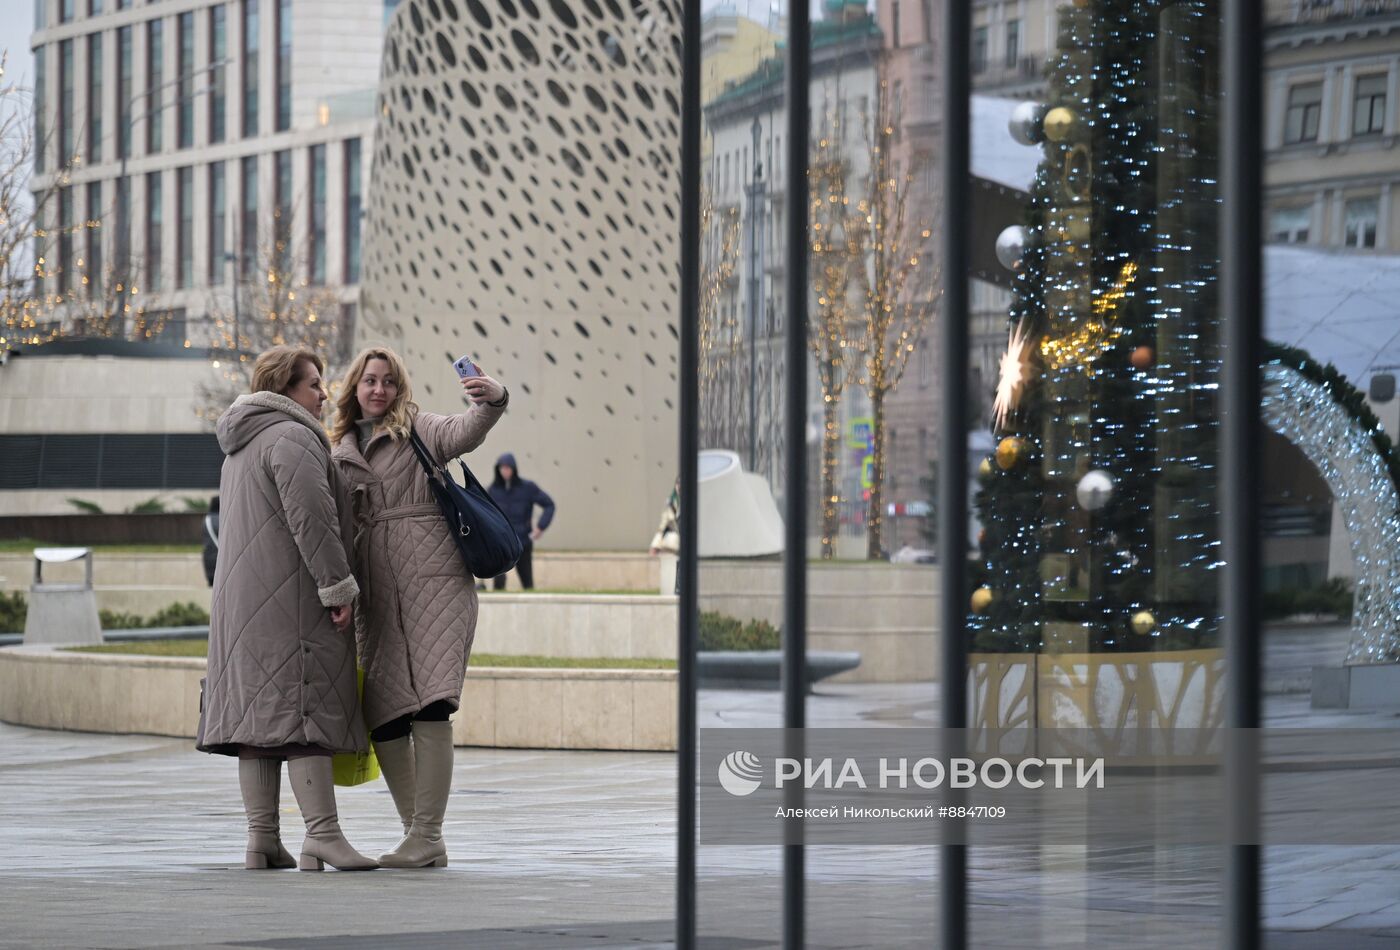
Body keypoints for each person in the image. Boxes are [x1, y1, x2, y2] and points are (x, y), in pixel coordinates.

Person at [196, 345, 376, 872]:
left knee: (258, 724)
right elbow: (312, 522)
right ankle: (323, 835)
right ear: (284, 387)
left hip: (242, 606)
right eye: (314, 384)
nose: (324, 394)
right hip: (291, 601)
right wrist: (338, 589)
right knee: (304, 711)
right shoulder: (294, 437)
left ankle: (262, 840)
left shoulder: (240, 444)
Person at [330, 345, 509, 869]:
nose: (379, 389)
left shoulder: (420, 429)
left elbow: (469, 429)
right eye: (370, 380)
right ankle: (420, 835)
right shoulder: (336, 447)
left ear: (400, 387)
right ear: (355, 388)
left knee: (433, 703)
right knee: (383, 716)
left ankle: (427, 833)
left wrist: (493, 399)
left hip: (436, 582)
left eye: (388, 380)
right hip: (376, 593)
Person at [487, 453, 555, 590]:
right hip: (502, 544)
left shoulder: (528, 487)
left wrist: (541, 527)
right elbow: (486, 514)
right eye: (502, 467)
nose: (504, 471)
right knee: (499, 582)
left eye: (507, 467)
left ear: (513, 468)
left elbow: (549, 505)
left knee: (527, 583)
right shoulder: (493, 490)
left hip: (523, 541)